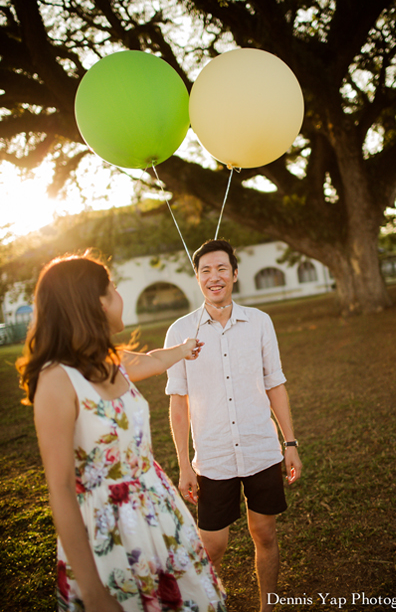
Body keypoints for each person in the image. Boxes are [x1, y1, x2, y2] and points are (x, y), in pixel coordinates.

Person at [16, 254, 226, 612]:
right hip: (111, 534)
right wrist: (94, 591)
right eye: (113, 289)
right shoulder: (56, 381)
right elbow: (61, 488)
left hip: (159, 515)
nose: (119, 295)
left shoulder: (111, 359)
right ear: (98, 302)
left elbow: (154, 361)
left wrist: (185, 349)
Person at [164, 239, 301, 612]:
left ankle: (266, 608)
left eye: (222, 268)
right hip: (213, 458)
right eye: (206, 270)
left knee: (265, 533)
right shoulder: (180, 332)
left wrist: (290, 444)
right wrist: (183, 465)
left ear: (235, 274)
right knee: (212, 547)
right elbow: (178, 403)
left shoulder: (260, 322)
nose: (214, 277)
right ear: (197, 278)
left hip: (261, 449)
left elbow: (276, 384)